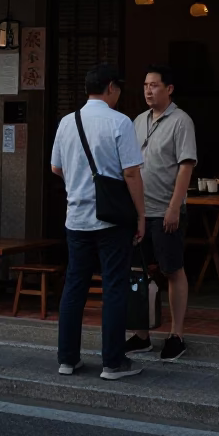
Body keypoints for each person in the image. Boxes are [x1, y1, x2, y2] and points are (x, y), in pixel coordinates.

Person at [50, 63, 146, 380]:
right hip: (112, 220)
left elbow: (56, 168)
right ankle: (113, 363)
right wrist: (141, 215)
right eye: (118, 88)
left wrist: (79, 184)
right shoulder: (119, 122)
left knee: (74, 287)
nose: (119, 93)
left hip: (75, 218)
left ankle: (67, 359)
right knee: (114, 287)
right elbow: (131, 172)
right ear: (110, 88)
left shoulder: (67, 122)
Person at [126, 64, 197, 361]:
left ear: (169, 89)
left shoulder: (181, 121)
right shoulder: (137, 120)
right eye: (145, 85)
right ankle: (142, 334)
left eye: (154, 85)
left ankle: (176, 334)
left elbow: (186, 166)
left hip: (165, 211)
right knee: (139, 273)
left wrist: (173, 208)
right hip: (139, 212)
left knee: (172, 269)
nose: (148, 90)